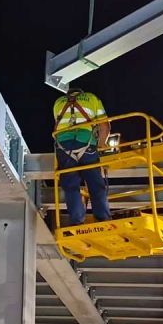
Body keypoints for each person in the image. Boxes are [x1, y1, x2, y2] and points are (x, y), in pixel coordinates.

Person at [53, 87, 112, 225]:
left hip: (63, 147)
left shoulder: (58, 102)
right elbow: (105, 126)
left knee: (70, 185)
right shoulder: (92, 98)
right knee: (95, 184)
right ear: (81, 93)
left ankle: (77, 221)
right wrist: (102, 145)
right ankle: (102, 219)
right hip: (86, 144)